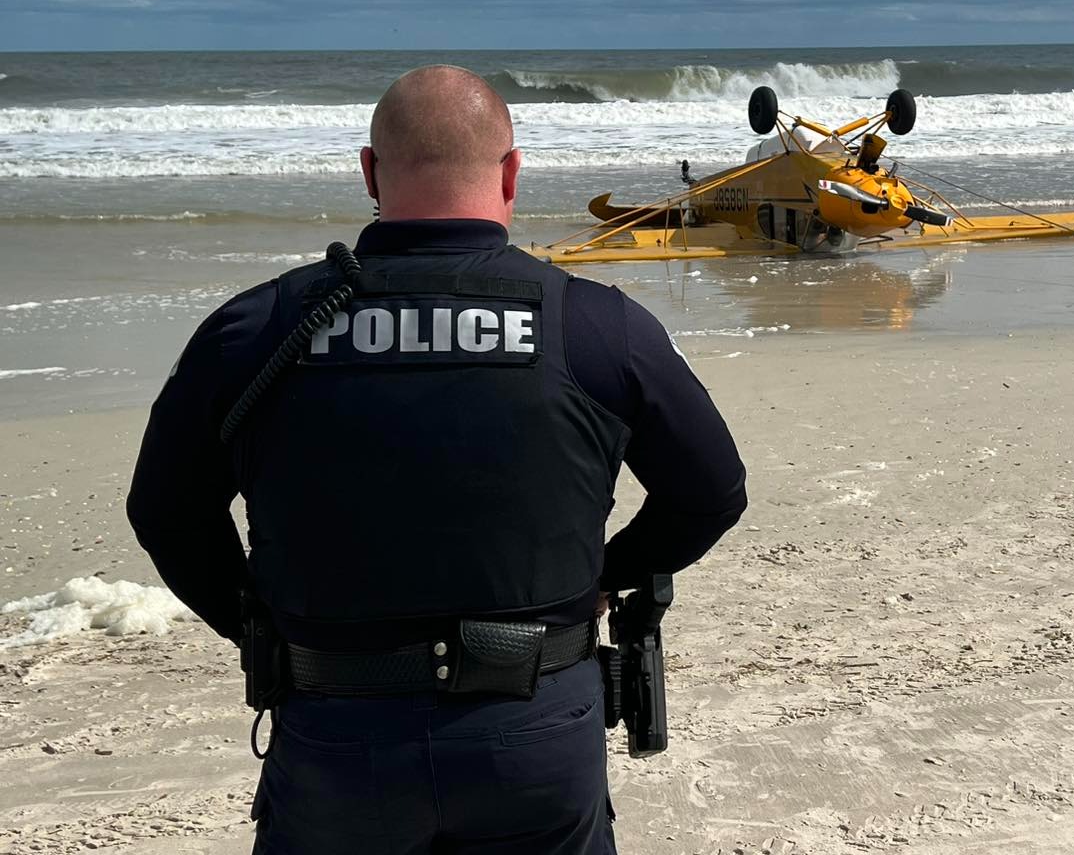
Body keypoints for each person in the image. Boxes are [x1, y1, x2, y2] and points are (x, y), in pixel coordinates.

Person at [126, 65, 748, 854]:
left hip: (338, 738)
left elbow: (165, 511)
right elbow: (712, 493)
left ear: (369, 173)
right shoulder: (594, 326)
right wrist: (605, 574)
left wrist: (258, 624)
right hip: (535, 732)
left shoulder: (261, 329)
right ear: (513, 172)